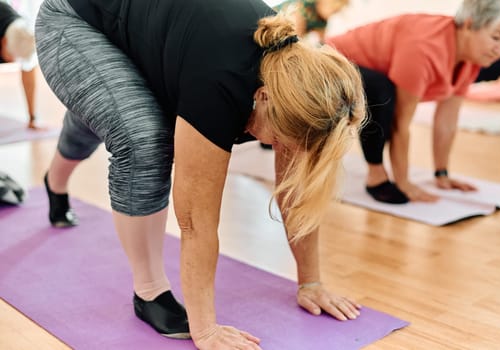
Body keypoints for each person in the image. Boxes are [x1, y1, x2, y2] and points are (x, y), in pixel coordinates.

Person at [35, 0, 365, 348]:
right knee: (142, 138)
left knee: (101, 113)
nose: (282, 152)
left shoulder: (298, 84)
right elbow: (196, 221)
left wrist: (310, 282)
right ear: (263, 97)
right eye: (281, 142)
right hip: (71, 22)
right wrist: (205, 329)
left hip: (143, 33)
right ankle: (149, 293)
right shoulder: (221, 81)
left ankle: (53, 182)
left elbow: (296, 191)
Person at [327, 0, 500, 204]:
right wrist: (404, 183)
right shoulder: (423, 47)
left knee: (384, 90)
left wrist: (442, 174)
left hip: (364, 72)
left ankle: (395, 174)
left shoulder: (471, 56)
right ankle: (376, 175)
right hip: (328, 65)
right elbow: (400, 124)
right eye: (496, 38)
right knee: (383, 92)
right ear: (469, 23)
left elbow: (447, 117)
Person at [0, 1, 39, 129]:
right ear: (4, 42)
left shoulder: (24, 35)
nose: (15, 61)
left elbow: (29, 79)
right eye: (14, 57)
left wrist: (32, 118)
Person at [275, 0, 350, 43]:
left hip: (287, 34)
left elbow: (324, 42)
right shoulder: (307, 4)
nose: (332, 14)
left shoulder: (323, 22)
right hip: (276, 17)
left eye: (336, 12)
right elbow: (296, 27)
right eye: (333, 9)